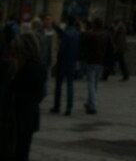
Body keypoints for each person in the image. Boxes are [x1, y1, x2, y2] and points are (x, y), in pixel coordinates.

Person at [7, 31, 47, 161]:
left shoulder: (29, 69)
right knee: (23, 151)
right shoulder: (40, 67)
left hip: (20, 117)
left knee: (18, 151)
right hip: (29, 117)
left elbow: (16, 91)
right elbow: (41, 93)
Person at [50, 15, 81, 116]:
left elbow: (61, 49)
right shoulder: (77, 34)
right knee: (70, 85)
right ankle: (69, 107)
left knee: (58, 85)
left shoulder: (66, 34)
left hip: (63, 62)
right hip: (72, 62)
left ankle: (57, 106)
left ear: (67, 22)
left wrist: (56, 61)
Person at [80, 15, 109, 114]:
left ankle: (92, 105)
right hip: (101, 61)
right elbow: (112, 47)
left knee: (91, 83)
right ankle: (89, 102)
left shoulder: (90, 34)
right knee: (95, 83)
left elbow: (83, 44)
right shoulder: (106, 34)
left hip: (91, 61)